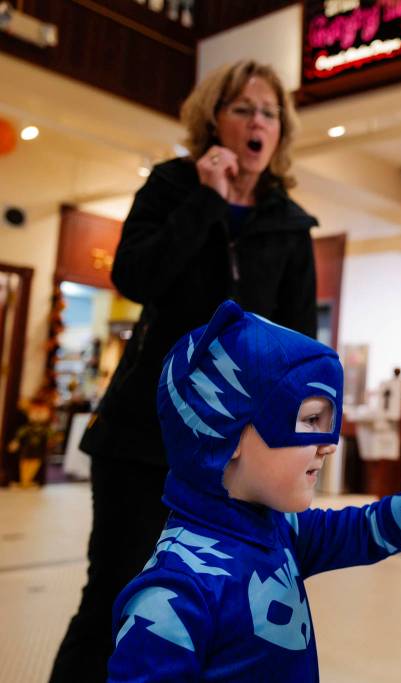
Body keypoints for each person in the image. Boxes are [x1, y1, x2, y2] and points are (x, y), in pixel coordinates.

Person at [51, 60, 320, 682]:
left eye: (269, 113)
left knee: (217, 608)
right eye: (243, 109)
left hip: (235, 455)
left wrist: (298, 440)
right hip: (144, 434)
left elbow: (297, 345)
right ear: (214, 120)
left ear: (281, 131)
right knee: (115, 597)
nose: (258, 122)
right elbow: (135, 277)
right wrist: (205, 199)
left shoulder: (290, 225)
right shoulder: (173, 186)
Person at [106, 300, 401, 681]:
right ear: (223, 435)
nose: (329, 443)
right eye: (309, 420)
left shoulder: (281, 529)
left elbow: (367, 529)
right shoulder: (172, 598)